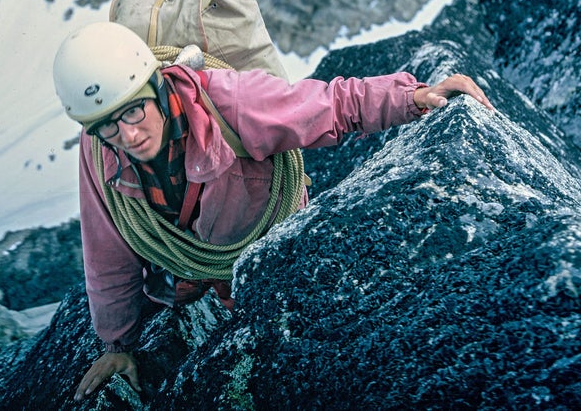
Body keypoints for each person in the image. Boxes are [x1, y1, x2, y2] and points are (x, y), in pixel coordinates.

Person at [52, 21, 493, 401]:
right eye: (107, 124)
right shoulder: (98, 150)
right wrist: (117, 343)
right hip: (199, 266)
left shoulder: (228, 102)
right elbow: (105, 248)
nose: (126, 136)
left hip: (268, 248)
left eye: (134, 112)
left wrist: (411, 98)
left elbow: (330, 106)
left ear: (158, 87)